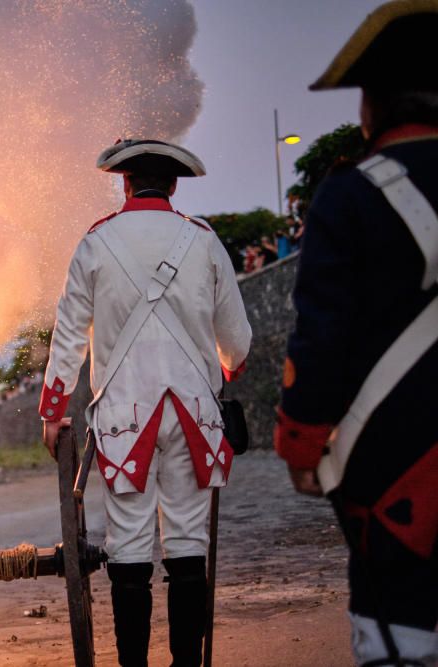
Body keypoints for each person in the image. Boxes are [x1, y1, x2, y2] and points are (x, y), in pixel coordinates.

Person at [40, 139, 251, 667]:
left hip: (124, 421)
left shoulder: (95, 242)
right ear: (174, 185)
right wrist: (220, 369)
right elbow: (238, 345)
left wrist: (52, 412)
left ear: (125, 183)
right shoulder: (203, 240)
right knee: (186, 540)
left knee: (128, 544)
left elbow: (67, 338)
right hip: (195, 417)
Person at [275, 2, 438, 664]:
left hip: (396, 463)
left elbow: (320, 341)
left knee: (400, 632)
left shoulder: (349, 197)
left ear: (373, 106)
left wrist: (302, 445)